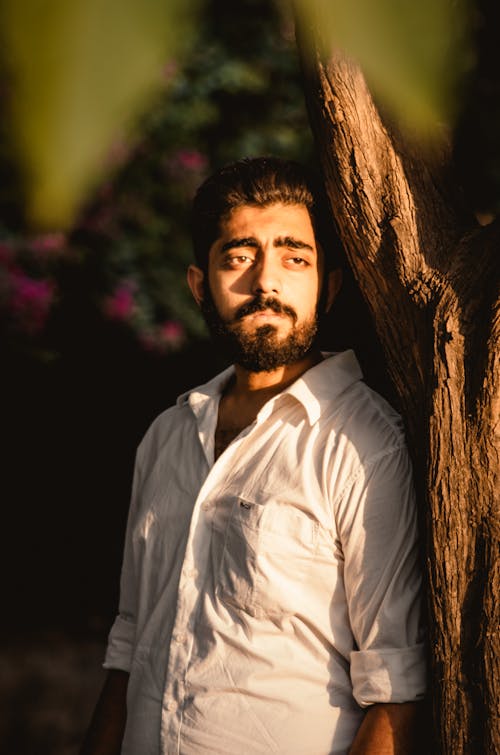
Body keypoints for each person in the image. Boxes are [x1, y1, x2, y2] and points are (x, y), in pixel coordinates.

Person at [81, 157, 427, 755]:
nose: (267, 282)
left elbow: (395, 688)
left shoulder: (364, 443)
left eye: (296, 258)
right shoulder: (165, 436)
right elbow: (131, 644)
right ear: (199, 285)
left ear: (330, 284)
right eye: (239, 257)